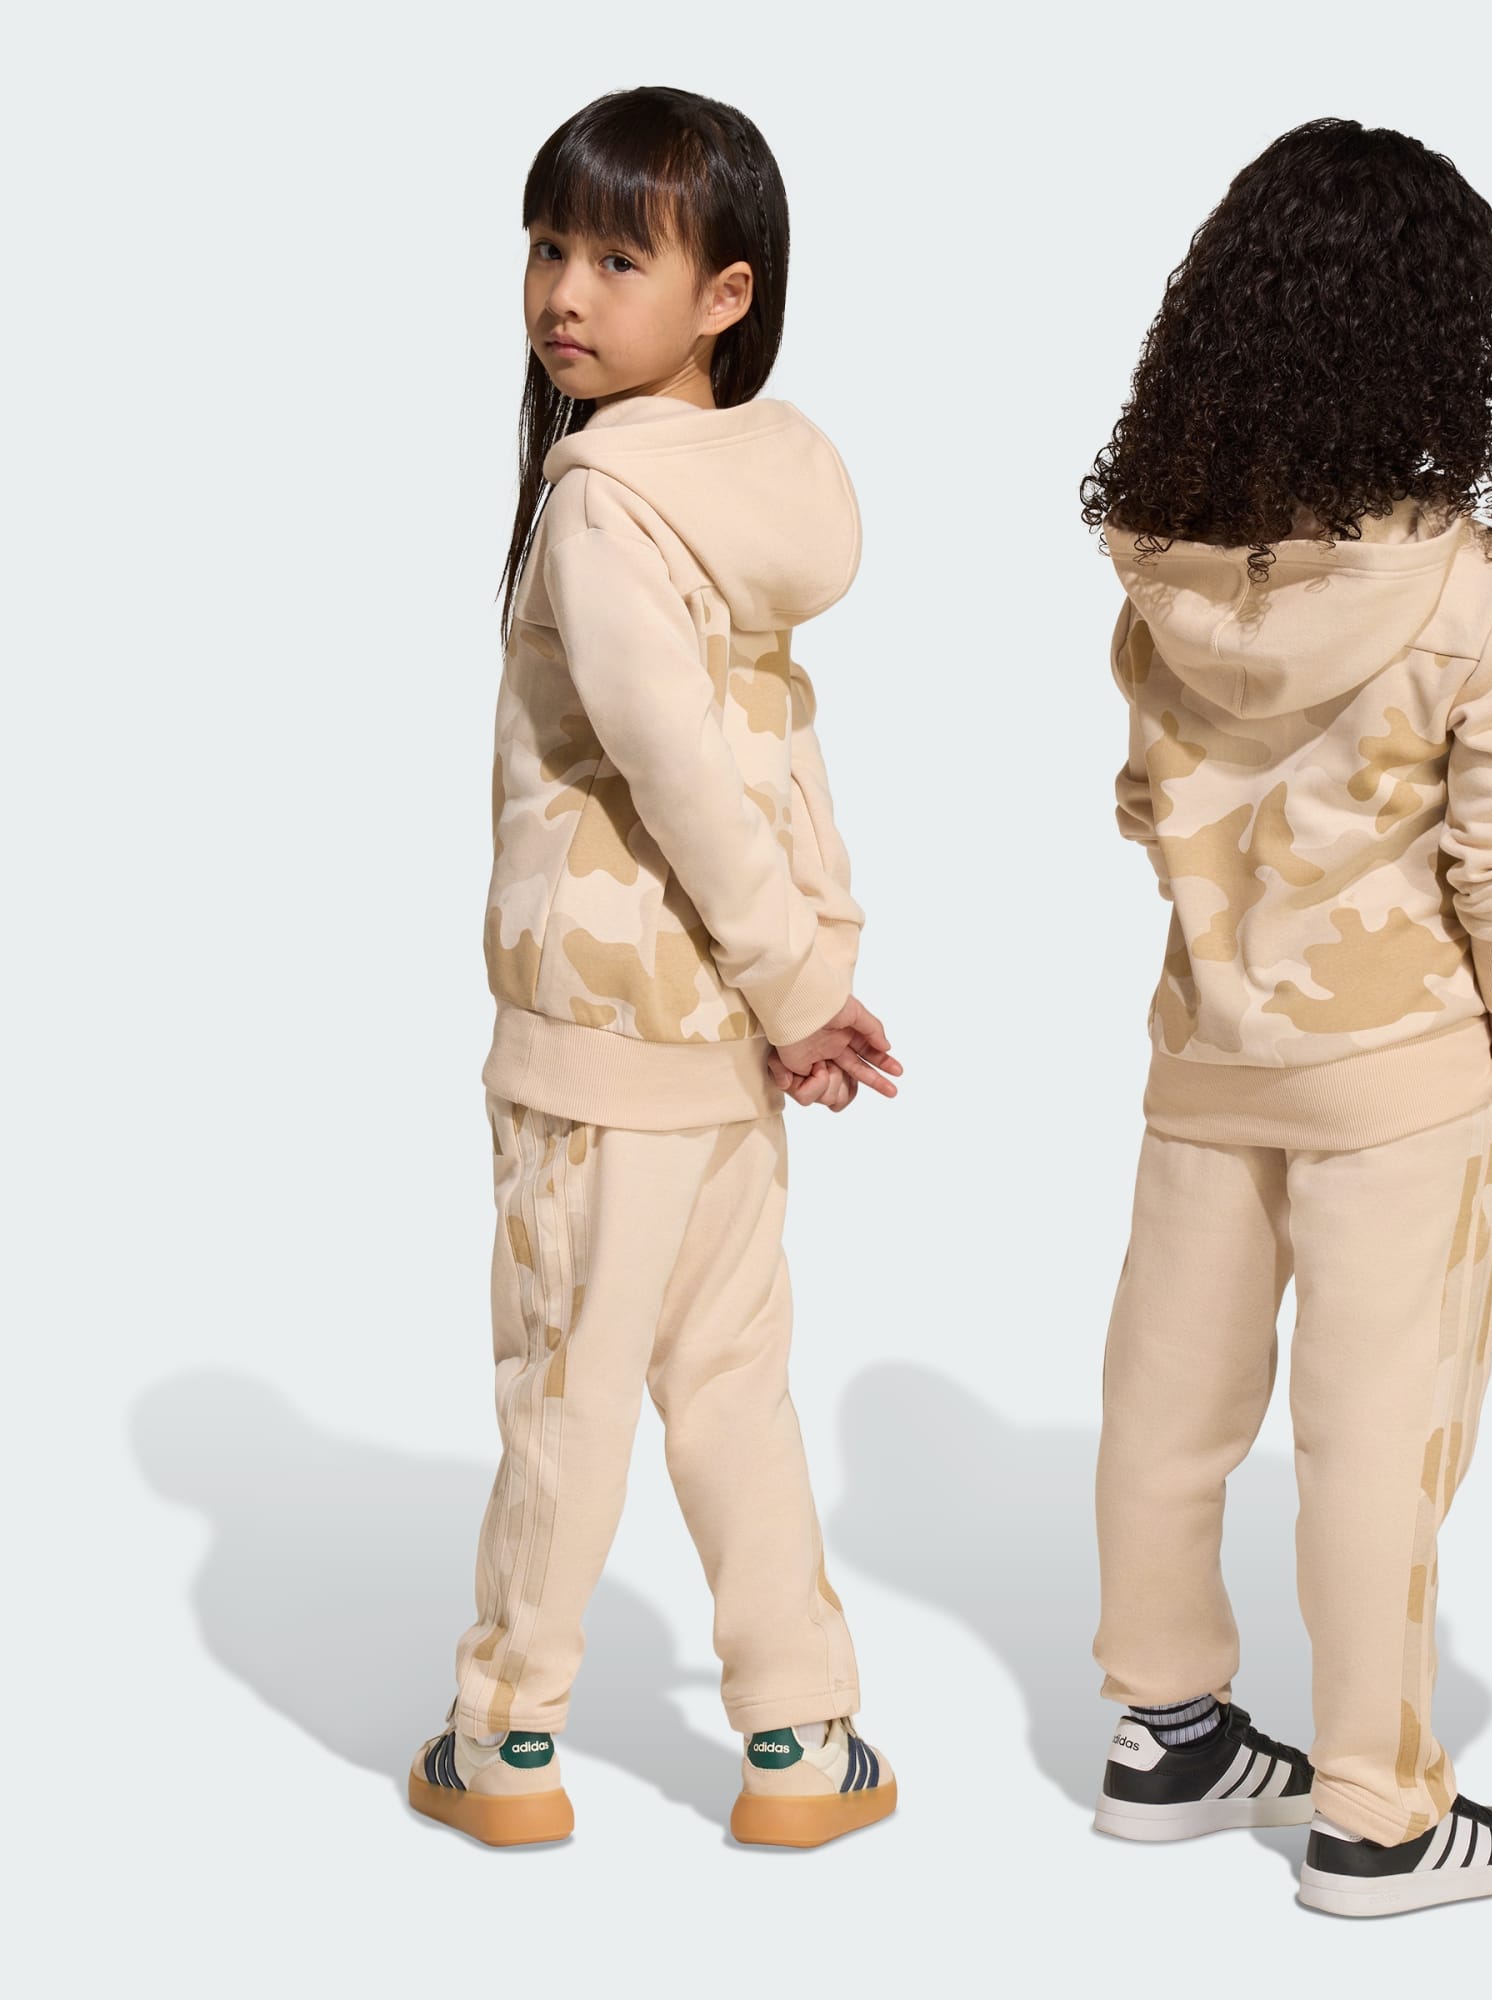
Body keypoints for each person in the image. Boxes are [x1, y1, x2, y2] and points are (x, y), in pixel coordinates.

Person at [1082, 118, 1492, 1917]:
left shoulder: (1166, 579)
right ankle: (1376, 1810)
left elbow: (1146, 806)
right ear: (1445, 341)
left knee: (1170, 1403)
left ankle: (1166, 1733)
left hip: (1209, 1062)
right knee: (1380, 1436)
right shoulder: (1478, 597)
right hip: (1401, 1082)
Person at [407, 87, 901, 1850]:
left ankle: (505, 1745)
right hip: (721, 1046)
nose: (565, 290)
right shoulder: (749, 495)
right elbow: (781, 761)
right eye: (549, 247)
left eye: (621, 258)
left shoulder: (605, 501)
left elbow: (682, 768)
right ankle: (800, 1744)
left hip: (607, 1050)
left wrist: (800, 992)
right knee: (733, 1395)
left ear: (724, 297)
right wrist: (806, 976)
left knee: (570, 1392)